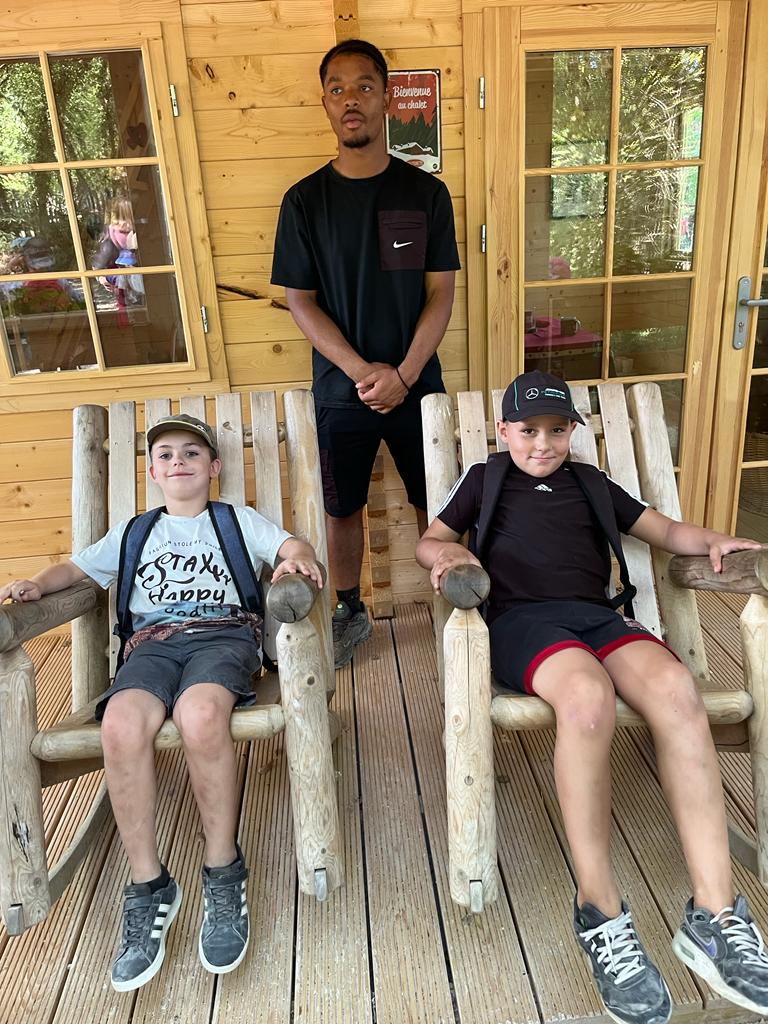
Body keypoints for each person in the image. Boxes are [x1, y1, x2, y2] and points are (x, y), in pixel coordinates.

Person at [416, 370, 768, 1024]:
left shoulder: (590, 482)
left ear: (572, 432)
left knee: (678, 691)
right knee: (585, 697)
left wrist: (714, 541)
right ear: (504, 430)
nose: (543, 443)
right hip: (522, 622)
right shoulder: (485, 479)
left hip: (597, 617)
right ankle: (599, 908)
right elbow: (431, 538)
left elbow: (665, 530)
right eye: (528, 430)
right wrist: (448, 558)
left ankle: (715, 913)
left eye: (557, 430)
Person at [0, 413, 323, 993]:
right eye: (166, 455)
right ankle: (149, 884)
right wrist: (39, 584)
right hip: (150, 646)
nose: (179, 462)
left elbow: (288, 544)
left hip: (223, 638)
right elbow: (77, 567)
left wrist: (297, 557)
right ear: (152, 471)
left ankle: (222, 869)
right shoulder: (134, 532)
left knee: (201, 715)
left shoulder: (235, 520)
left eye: (192, 453)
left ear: (213, 467)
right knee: (120, 726)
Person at [271, 38, 459, 669]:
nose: (350, 99)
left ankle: (452, 608)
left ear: (386, 97)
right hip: (340, 389)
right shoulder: (303, 202)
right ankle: (349, 609)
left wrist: (404, 374)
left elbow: (441, 294)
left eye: (363, 86)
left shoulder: (426, 194)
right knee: (341, 508)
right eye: (337, 89)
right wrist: (362, 373)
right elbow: (300, 302)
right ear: (325, 103)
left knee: (437, 505)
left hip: (418, 385)